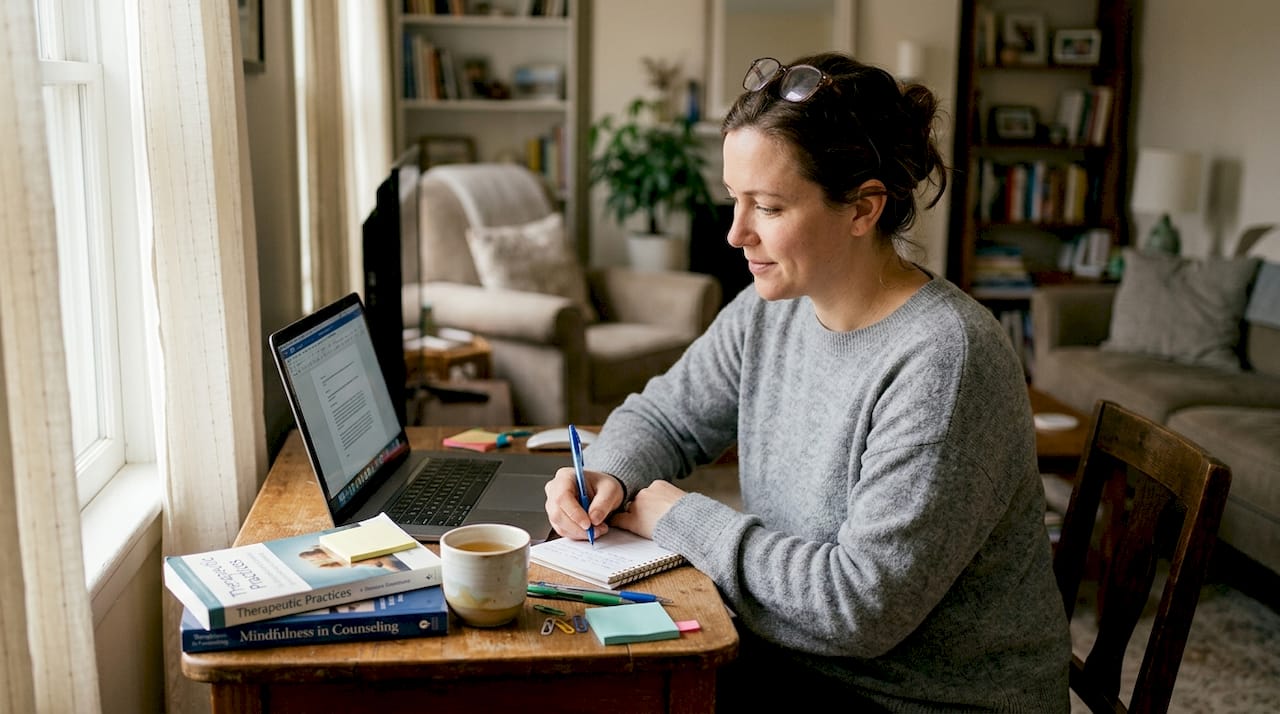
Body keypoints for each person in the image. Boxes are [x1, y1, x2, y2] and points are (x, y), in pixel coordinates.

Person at [544, 52, 1070, 711]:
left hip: (920, 699)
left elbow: (859, 608)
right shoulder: (776, 306)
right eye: (735, 200)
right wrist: (609, 475)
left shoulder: (946, 361)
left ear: (862, 208)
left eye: (767, 206)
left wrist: (681, 518)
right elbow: (666, 416)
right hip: (799, 661)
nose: (737, 233)